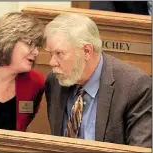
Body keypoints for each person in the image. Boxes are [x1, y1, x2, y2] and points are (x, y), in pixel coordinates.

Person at [44, 13, 151, 147]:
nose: (52, 62)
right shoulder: (54, 82)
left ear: (87, 51)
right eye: (50, 53)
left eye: (59, 54)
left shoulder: (135, 86)